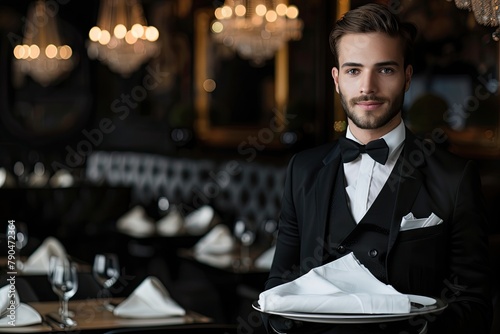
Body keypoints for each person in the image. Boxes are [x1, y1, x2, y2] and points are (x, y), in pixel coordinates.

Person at [262, 3, 492, 334]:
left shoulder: (453, 177)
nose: (367, 87)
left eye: (385, 70)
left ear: (407, 77)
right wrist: (281, 320)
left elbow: (475, 307)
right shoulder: (303, 169)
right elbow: (279, 283)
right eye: (354, 70)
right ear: (337, 79)